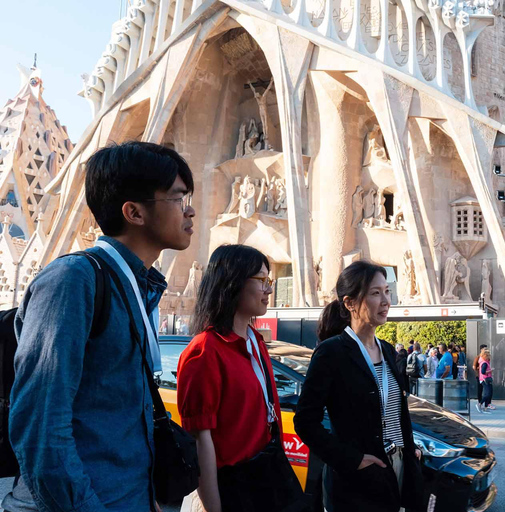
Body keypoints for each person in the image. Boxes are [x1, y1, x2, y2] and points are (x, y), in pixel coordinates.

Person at [3, 142, 195, 512]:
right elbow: (41, 429)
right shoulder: (73, 280)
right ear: (134, 212)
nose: (190, 209)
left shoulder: (140, 288)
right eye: (177, 197)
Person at [177, 245, 301, 512]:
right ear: (232, 281)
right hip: (233, 487)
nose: (269, 289)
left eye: (270, 280)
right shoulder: (205, 350)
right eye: (261, 280)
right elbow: (201, 440)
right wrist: (214, 508)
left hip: (267, 478)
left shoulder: (255, 340)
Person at [294, 261, 424, 512]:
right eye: (375, 293)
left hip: (398, 468)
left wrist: (410, 449)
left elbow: (395, 412)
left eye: (387, 291)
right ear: (350, 303)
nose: (386, 300)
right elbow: (305, 421)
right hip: (358, 480)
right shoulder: (331, 352)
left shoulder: (386, 349)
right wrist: (351, 460)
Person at [477, 348, 493, 414]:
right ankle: (480, 404)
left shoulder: (485, 362)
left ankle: (486, 407)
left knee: (490, 392)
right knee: (487, 393)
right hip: (485, 379)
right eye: (488, 355)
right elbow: (483, 372)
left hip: (486, 379)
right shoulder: (484, 363)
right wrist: (490, 371)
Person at [472, 344, 488, 408]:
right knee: (480, 389)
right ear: (481, 350)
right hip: (479, 376)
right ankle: (479, 402)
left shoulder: (486, 357)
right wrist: (478, 372)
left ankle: (486, 403)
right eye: (485, 349)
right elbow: (474, 366)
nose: (486, 350)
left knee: (487, 390)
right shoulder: (478, 357)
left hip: (485, 376)